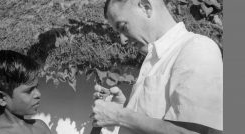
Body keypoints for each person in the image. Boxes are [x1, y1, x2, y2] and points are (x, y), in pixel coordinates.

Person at [91, 0, 223, 134]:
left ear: (146, 8)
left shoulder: (197, 48)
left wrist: (119, 116)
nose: (122, 40)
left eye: (123, 27)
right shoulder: (153, 60)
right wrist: (118, 111)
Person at [0, 50, 51, 134]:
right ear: (2, 98)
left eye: (36, 87)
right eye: (29, 90)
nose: (38, 94)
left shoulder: (40, 127)